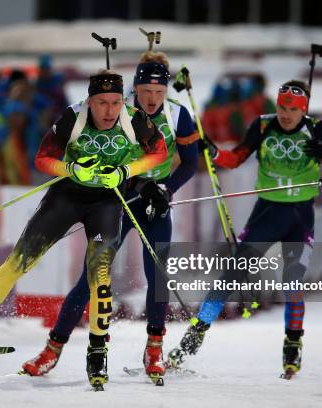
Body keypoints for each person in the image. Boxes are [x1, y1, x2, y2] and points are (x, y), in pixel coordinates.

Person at [0, 69, 167, 388]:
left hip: (107, 203)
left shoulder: (133, 118)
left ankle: (97, 354)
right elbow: (42, 159)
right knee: (17, 263)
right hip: (66, 197)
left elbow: (159, 152)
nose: (110, 111)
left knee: (99, 278)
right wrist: (69, 168)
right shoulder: (72, 117)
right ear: (89, 101)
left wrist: (128, 170)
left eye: (114, 103)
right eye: (101, 103)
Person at [20, 51, 200, 381]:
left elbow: (191, 162)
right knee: (92, 276)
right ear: (135, 88)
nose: (152, 99)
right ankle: (52, 349)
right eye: (146, 92)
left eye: (159, 93)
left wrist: (167, 190)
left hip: (155, 204)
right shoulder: (120, 111)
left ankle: (154, 349)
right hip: (117, 200)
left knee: (157, 276)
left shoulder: (178, 115)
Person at [166, 80, 322, 377]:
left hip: (299, 220)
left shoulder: (317, 130)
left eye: (293, 110)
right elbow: (235, 159)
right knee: (230, 276)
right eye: (282, 107)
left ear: (303, 110)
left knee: (293, 284)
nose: (285, 114)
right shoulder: (262, 126)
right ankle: (193, 338)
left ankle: (292, 346)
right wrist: (215, 153)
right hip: (266, 216)